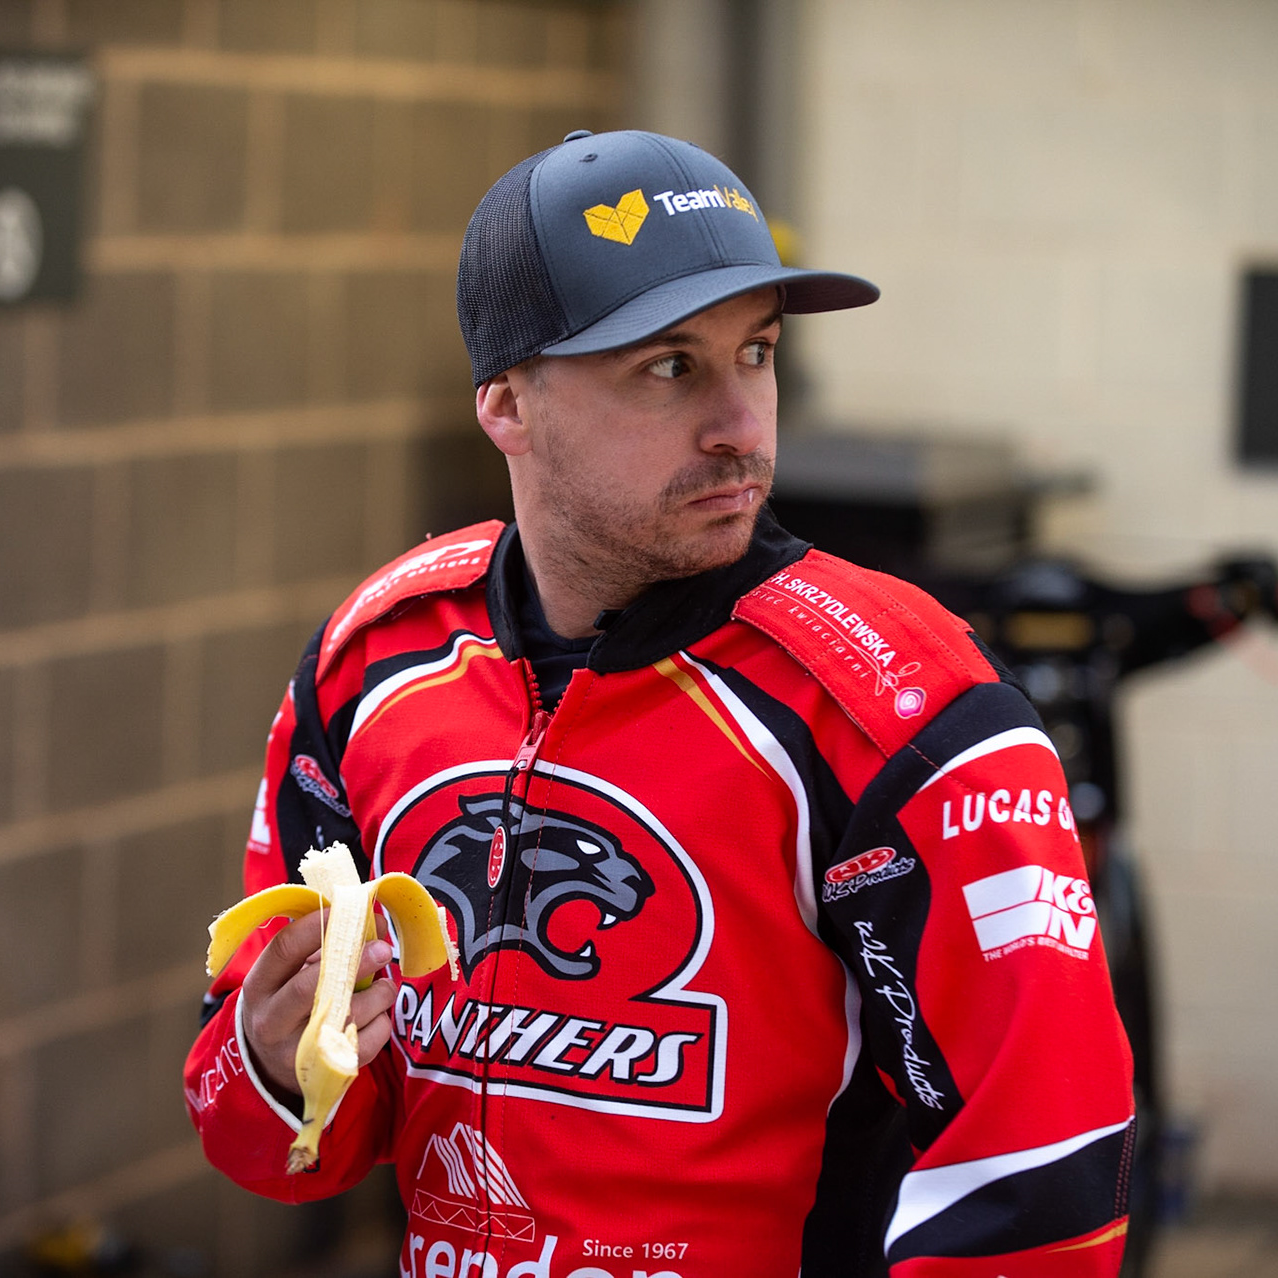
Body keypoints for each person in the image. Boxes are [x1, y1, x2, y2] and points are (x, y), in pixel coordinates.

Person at [185, 129, 1135, 1277]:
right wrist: (276, 1060)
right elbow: (280, 1134)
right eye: (672, 366)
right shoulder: (373, 662)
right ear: (507, 406)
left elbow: (1044, 1181)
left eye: (759, 353)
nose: (742, 423)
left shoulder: (898, 703)